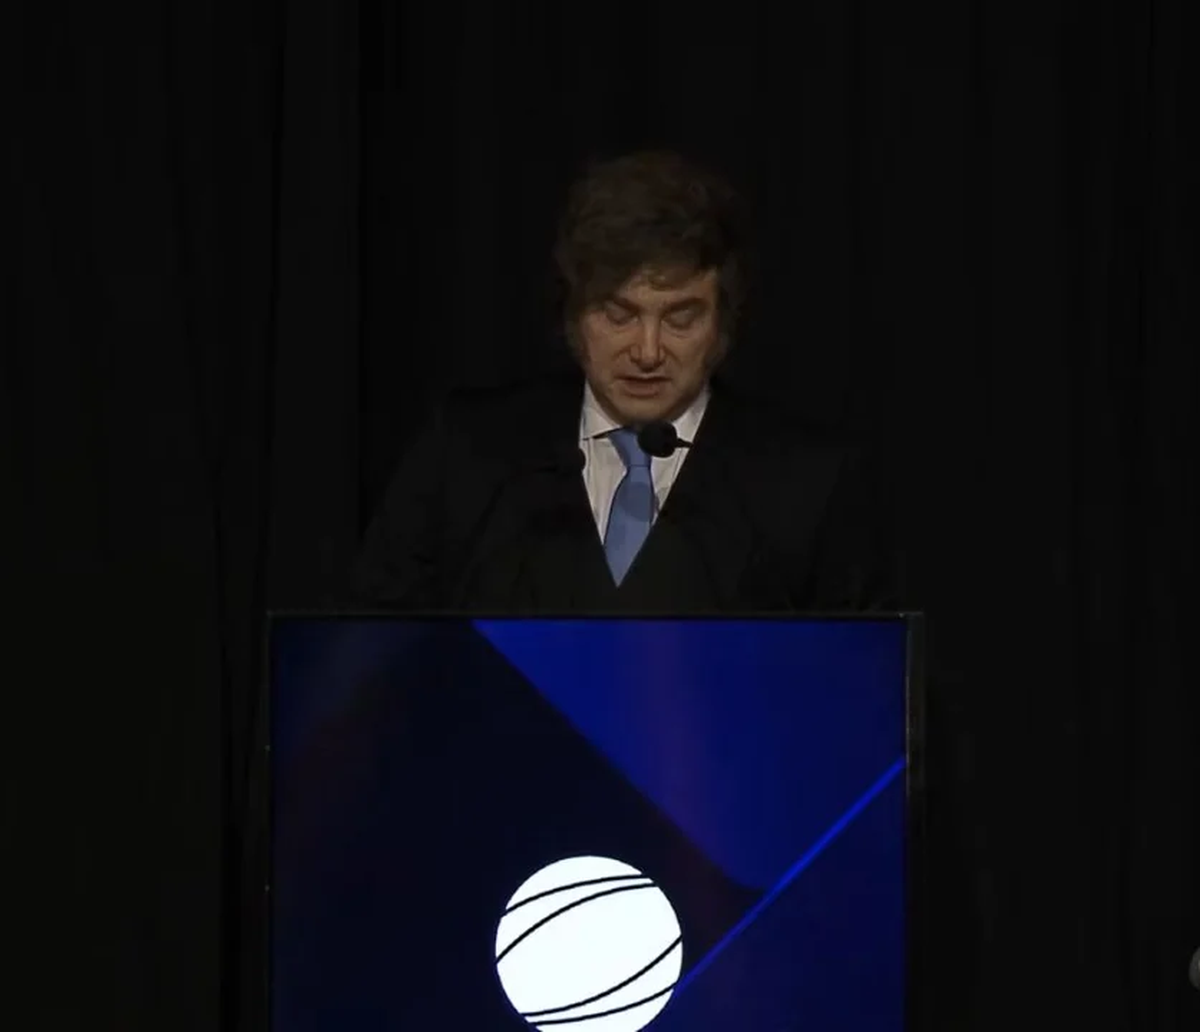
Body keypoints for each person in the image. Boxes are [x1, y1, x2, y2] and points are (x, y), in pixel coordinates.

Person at [350, 150, 897, 613]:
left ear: (722, 325)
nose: (647, 351)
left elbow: (868, 684)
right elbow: (372, 656)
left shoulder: (808, 483)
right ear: (573, 315)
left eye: (680, 319)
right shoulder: (468, 455)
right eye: (619, 315)